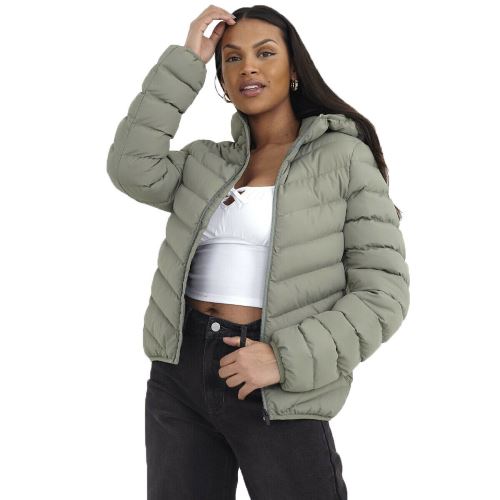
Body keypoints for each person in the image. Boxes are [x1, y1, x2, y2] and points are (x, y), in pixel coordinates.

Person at [106, 4, 410, 499]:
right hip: (179, 369)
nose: (248, 66)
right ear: (222, 81)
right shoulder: (204, 162)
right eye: (232, 58)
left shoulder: (343, 157)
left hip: (271, 377)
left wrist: (283, 359)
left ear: (294, 70)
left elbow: (383, 294)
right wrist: (188, 61)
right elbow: (130, 167)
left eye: (265, 53)